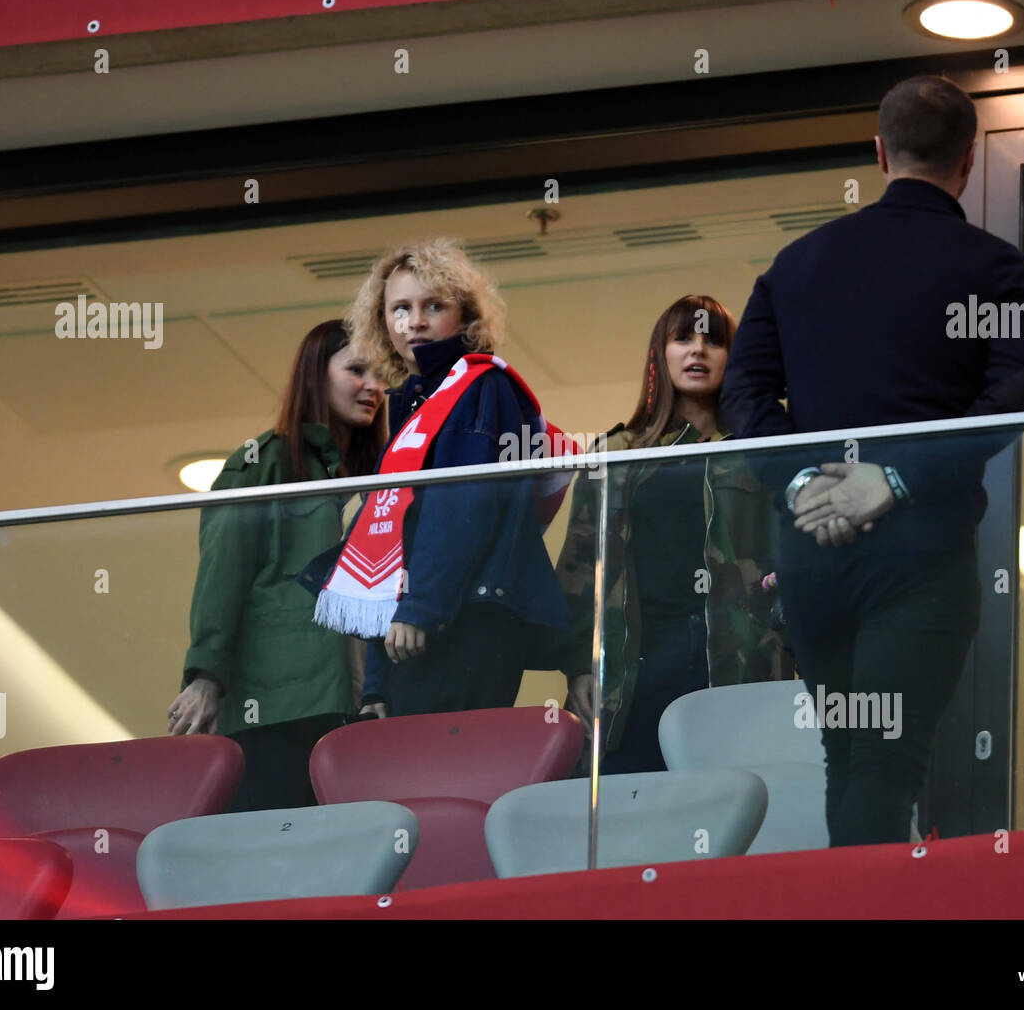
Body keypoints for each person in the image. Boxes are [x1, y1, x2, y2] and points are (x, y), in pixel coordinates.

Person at [720, 75, 1024, 846]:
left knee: (850, 757)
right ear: (968, 162)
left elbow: (746, 396)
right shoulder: (998, 269)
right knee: (888, 762)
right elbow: (1018, 391)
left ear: (878, 152)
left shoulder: (796, 265)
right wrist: (896, 479)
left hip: (810, 558)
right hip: (923, 553)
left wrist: (804, 484)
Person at [301, 240, 571, 718]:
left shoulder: (480, 385)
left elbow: (463, 508)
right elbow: (391, 544)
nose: (415, 321)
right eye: (400, 308)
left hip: (465, 619)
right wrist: (377, 688)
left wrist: (421, 609)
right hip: (427, 619)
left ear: (465, 318)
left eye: (434, 306)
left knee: (447, 778)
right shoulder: (412, 402)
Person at [554, 295, 781, 775]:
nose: (698, 350)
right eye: (684, 338)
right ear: (661, 353)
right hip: (632, 664)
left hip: (737, 661)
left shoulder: (761, 448)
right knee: (629, 813)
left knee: (737, 806)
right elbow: (578, 572)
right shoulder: (617, 452)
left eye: (713, 341)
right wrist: (578, 666)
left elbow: (790, 558)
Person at [168, 319, 387, 813]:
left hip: (360, 707)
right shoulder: (263, 464)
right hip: (277, 705)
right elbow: (223, 575)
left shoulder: (386, 476)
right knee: (278, 850)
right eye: (356, 369)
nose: (374, 385)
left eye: (380, 374)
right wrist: (206, 676)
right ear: (315, 375)